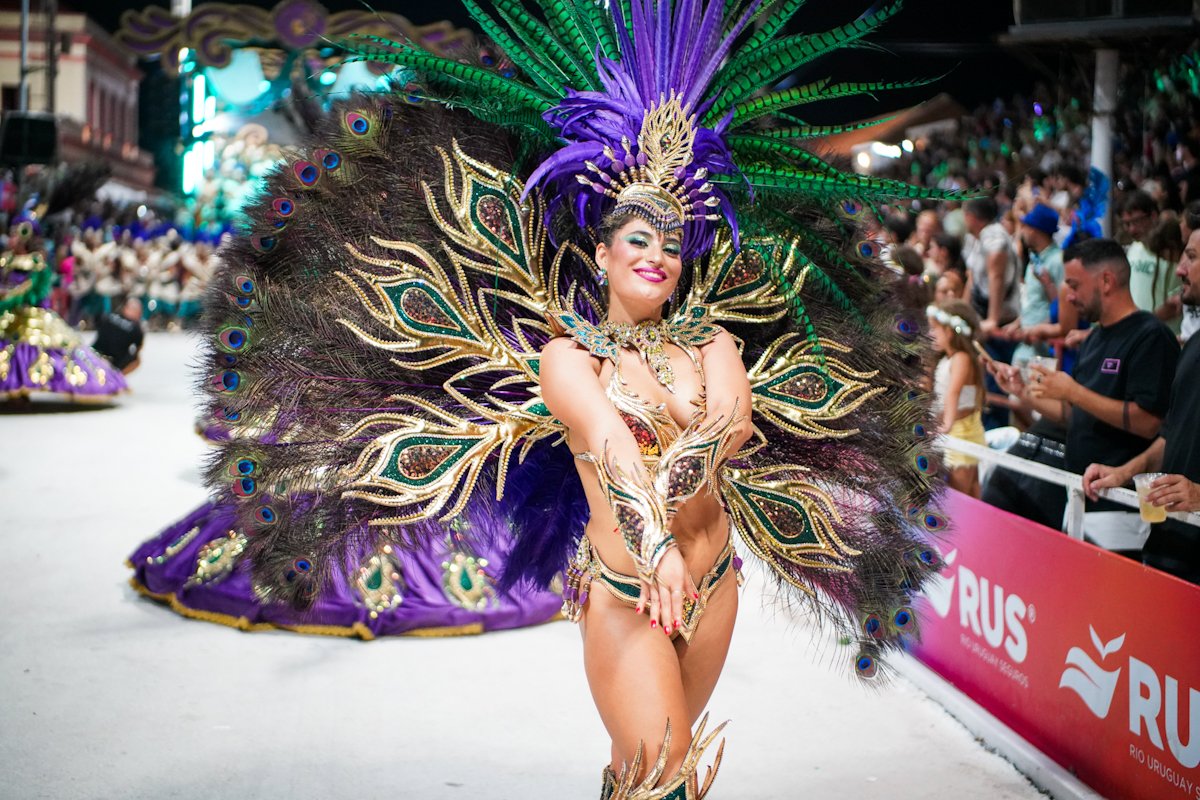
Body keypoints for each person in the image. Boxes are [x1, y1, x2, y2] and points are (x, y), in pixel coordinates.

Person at [167, 2, 947, 795]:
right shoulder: (568, 359)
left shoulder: (713, 341)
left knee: (650, 775)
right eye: (638, 239)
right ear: (602, 253)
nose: (657, 255)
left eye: (672, 244)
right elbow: (612, 451)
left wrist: (692, 495)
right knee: (665, 774)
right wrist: (656, 546)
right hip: (629, 590)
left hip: (715, 583)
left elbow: (733, 423)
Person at [993, 239, 1179, 554]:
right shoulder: (1095, 338)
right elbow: (1073, 415)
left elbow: (1149, 422)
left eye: (1075, 285)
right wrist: (1023, 392)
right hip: (1080, 497)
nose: (1068, 296)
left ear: (1106, 281)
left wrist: (1074, 392)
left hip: (1120, 508)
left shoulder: (1150, 336)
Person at [1082, 226, 1200, 583]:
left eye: (1191, 257)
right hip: (1169, 546)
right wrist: (1124, 472)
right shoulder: (1193, 346)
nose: (1179, 269)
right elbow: (1171, 435)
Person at [0, 215, 127, 402]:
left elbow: (35, 292)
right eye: (11, 233)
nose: (11, 238)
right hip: (6, 316)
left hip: (31, 315)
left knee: (35, 348)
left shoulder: (37, 263)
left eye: (16, 233)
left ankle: (22, 389)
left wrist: (7, 299)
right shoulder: (6, 260)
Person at [927, 300, 987, 497]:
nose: (931, 334)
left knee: (961, 492)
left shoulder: (962, 358)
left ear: (950, 332)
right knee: (969, 488)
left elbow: (953, 392)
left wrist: (946, 424)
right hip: (956, 428)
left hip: (962, 431)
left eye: (935, 329)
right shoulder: (948, 359)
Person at [1005, 203, 1065, 367]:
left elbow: (1063, 307)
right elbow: (1033, 301)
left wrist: (1039, 329)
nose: (1021, 232)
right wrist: (1017, 323)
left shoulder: (1058, 260)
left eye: (1024, 227)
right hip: (1024, 347)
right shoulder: (1034, 260)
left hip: (1044, 352)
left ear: (1034, 230)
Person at [1122, 190, 1182, 334]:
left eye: (1136, 221)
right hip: (1137, 333)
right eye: (1127, 224)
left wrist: (1143, 325)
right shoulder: (1134, 248)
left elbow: (1174, 305)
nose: (1132, 229)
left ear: (1153, 216)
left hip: (1165, 334)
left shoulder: (1172, 251)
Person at [91, 296, 145, 374]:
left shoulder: (109, 315)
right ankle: (118, 377)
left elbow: (97, 323)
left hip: (93, 353)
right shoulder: (136, 329)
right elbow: (139, 349)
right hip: (113, 364)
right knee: (137, 360)